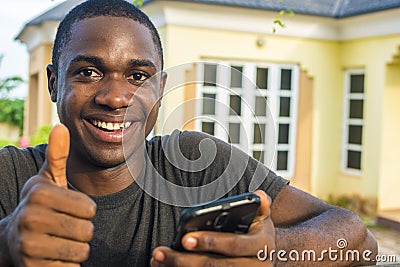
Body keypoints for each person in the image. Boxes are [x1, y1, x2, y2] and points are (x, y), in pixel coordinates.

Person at [0, 0, 377, 266]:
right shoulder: (9, 175)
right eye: (88, 72)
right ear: (53, 83)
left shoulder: (198, 165)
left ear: (161, 90)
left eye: (137, 77)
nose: (116, 98)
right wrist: (6, 244)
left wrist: (272, 251)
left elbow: (359, 239)